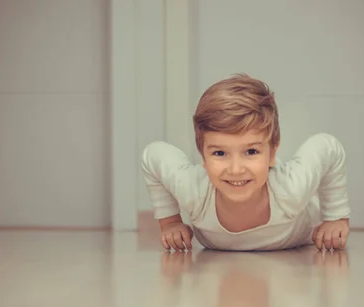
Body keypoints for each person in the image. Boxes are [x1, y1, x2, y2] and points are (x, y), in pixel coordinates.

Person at [141, 73, 351, 252]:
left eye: (251, 151)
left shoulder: (291, 189)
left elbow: (327, 146)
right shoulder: (195, 191)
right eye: (220, 153)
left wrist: (335, 217)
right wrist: (171, 222)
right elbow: (153, 154)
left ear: (272, 153)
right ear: (203, 156)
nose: (236, 169)